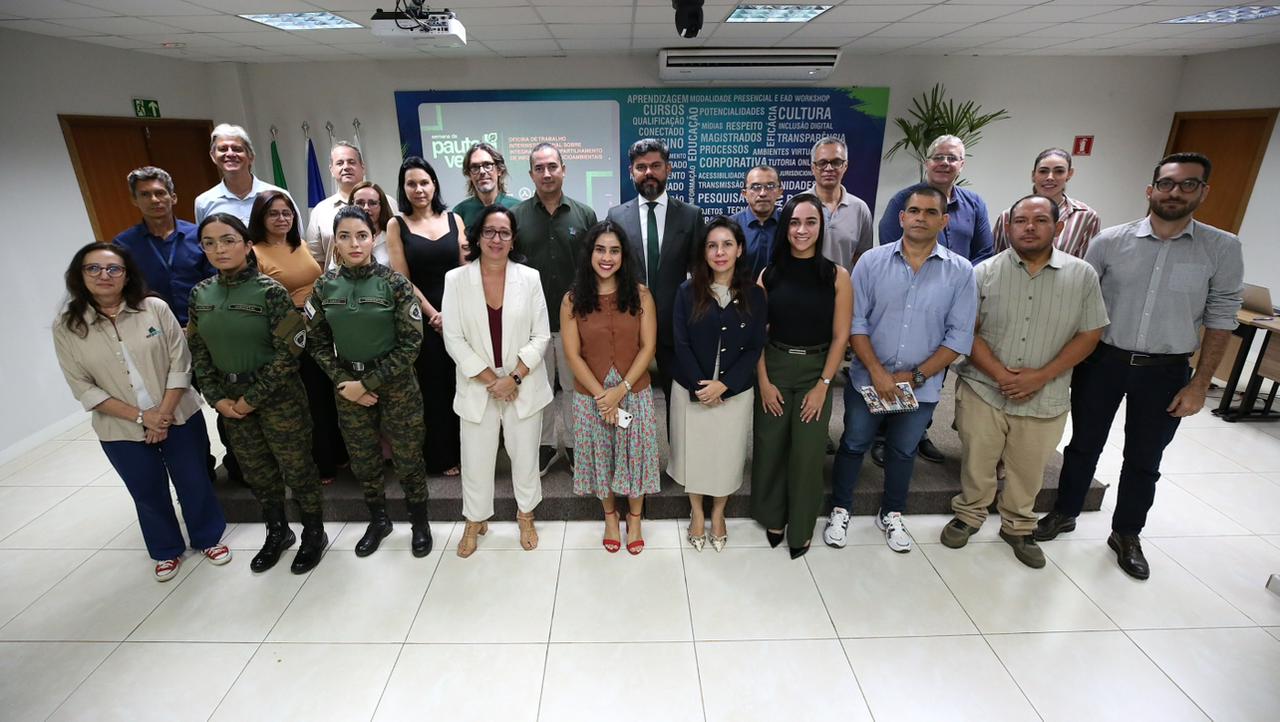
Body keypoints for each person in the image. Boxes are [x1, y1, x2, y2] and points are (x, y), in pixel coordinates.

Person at [1037, 152, 1244, 580]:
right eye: (1167, 184)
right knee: (1083, 445)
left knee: (1144, 457)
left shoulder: (1221, 248)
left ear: (1203, 192)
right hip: (1104, 361)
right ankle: (1065, 511)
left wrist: (1200, 383)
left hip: (1166, 369)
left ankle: (1127, 532)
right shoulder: (1110, 242)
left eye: (1188, 184)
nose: (1175, 192)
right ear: (1151, 190)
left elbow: (1222, 317)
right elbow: (1080, 305)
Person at [943, 195, 1107, 568]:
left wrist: (1041, 376)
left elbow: (1089, 333)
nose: (1029, 227)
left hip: (1045, 392)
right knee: (978, 460)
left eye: (1039, 220)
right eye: (1020, 221)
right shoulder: (983, 272)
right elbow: (968, 330)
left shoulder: (1082, 275)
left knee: (1029, 466)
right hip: (985, 387)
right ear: (1008, 227)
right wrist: (1001, 374)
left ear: (1058, 227)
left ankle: (1018, 525)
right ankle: (969, 513)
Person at [52, 243, 229, 581]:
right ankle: (165, 549)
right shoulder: (68, 326)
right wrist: (140, 416)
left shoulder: (154, 308)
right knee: (146, 490)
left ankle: (208, 537)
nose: (104, 275)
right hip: (119, 426)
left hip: (178, 413)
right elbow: (83, 386)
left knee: (194, 480)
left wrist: (161, 414)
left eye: (113, 268)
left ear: (127, 274)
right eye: (94, 268)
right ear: (79, 275)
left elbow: (181, 361)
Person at [824, 185, 977, 553]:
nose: (920, 218)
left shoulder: (960, 272)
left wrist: (917, 376)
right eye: (914, 211)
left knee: (903, 450)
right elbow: (855, 323)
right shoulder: (871, 262)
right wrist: (876, 371)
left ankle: (891, 513)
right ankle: (840, 508)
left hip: (921, 385)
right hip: (868, 379)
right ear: (901, 217)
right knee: (854, 443)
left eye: (929, 212)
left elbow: (959, 336)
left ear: (944, 220)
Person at [187, 213, 327, 574]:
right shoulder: (200, 295)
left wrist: (254, 397)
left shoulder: (271, 292)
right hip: (229, 400)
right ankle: (277, 531)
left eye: (229, 240)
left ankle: (313, 531)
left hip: (277, 398)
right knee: (257, 471)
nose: (220, 249)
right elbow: (198, 353)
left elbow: (291, 349)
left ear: (248, 245)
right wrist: (217, 398)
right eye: (210, 242)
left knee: (297, 468)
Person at [306, 206, 433, 558]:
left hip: (396, 385)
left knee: (408, 456)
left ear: (373, 237)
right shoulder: (324, 286)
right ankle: (378, 520)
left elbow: (411, 343)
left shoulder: (394, 283)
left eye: (361, 235)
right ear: (335, 243)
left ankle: (419, 522)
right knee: (363, 459)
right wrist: (345, 381)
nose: (354, 243)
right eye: (344, 236)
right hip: (348, 386)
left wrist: (369, 383)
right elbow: (315, 342)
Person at [442, 205, 553, 557]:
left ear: (513, 238)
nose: (496, 239)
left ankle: (525, 515)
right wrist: (495, 380)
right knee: (475, 459)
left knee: (524, 457)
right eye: (489, 231)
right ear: (477, 235)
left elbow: (541, 336)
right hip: (479, 387)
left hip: (523, 385)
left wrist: (515, 377)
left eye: (504, 232)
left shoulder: (530, 277)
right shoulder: (456, 280)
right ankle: (474, 520)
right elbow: (454, 338)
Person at [877, 134, 993, 464]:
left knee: (935, 367)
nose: (944, 163)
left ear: (961, 164)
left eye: (951, 158)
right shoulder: (903, 198)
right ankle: (885, 434)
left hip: (954, 300)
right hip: (907, 296)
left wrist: (954, 279)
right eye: (938, 157)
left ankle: (919, 430)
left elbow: (985, 251)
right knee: (899, 359)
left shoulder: (974, 204)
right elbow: (889, 245)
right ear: (927, 163)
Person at [752, 194, 852, 559]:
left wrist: (824, 387)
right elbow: (756, 333)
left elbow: (841, 336)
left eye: (810, 222)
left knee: (808, 453)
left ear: (821, 227)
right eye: (795, 222)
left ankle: (803, 523)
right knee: (770, 445)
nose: (802, 230)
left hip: (816, 370)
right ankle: (772, 516)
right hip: (774, 366)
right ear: (786, 226)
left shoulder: (837, 276)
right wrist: (762, 381)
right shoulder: (769, 274)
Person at [561, 220, 660, 554]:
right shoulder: (572, 299)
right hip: (592, 396)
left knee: (636, 457)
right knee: (601, 460)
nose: (607, 257)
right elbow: (572, 354)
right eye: (600, 249)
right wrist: (603, 397)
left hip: (635, 393)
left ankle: (634, 518)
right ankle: (609, 517)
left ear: (624, 255)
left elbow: (648, 347)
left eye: (614, 250)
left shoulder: (641, 293)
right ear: (590, 253)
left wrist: (623, 389)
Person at [670, 217, 766, 552]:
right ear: (704, 252)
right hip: (692, 391)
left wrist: (724, 385)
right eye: (712, 245)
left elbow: (755, 346)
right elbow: (680, 343)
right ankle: (697, 511)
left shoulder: (754, 293)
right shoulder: (687, 291)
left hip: (733, 393)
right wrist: (702, 386)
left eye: (727, 244)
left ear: (740, 249)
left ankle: (719, 512)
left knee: (726, 454)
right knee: (695, 454)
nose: (719, 252)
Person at [248, 191, 349, 486]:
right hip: (287, 334)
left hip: (317, 327)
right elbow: (259, 304)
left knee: (325, 395)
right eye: (273, 214)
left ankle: (337, 453)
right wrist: (296, 323)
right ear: (260, 218)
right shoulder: (254, 252)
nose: (282, 218)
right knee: (307, 401)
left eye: (287, 213)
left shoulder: (300, 244)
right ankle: (321, 464)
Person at [512, 143, 598, 475]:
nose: (546, 174)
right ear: (531, 173)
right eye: (539, 168)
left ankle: (577, 445)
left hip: (575, 320)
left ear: (563, 169)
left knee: (576, 386)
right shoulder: (517, 216)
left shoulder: (584, 214)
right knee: (538, 385)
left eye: (552, 166)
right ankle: (546, 445)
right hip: (530, 322)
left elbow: (594, 267)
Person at [606, 138, 705, 414]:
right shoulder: (616, 215)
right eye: (641, 167)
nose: (648, 172)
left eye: (655, 166)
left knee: (680, 400)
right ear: (631, 172)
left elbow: (700, 272)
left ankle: (679, 457)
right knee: (628, 396)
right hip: (629, 323)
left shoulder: (690, 216)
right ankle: (632, 456)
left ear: (668, 169)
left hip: (676, 324)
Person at [387, 157, 464, 476]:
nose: (419, 189)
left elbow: (464, 269)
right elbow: (402, 279)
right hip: (421, 317)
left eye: (424, 182)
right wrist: (434, 315)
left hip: (458, 313)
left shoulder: (454, 218)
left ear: (434, 185)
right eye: (411, 183)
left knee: (462, 384)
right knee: (433, 389)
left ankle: (468, 453)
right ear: (404, 189)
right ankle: (441, 456)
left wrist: (452, 312)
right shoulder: (396, 224)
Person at [112, 166, 213, 326]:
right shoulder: (123, 244)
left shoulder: (199, 235)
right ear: (134, 200)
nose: (154, 200)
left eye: (160, 193)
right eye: (145, 194)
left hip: (205, 324)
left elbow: (216, 282)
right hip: (154, 329)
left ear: (173, 197)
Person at [993, 148, 1101, 258]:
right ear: (1033, 175)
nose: (1050, 177)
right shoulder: (1008, 216)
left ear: (1069, 174)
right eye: (1043, 171)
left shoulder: (1086, 216)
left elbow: (1085, 266)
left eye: (1059, 171)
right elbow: (997, 262)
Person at [194, 123, 290, 225]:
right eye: (223, 149)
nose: (230, 154)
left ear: (251, 156)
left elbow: (296, 239)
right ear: (213, 156)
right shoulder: (204, 203)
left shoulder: (279, 195)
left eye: (237, 149)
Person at [803, 136, 874, 272]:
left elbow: (862, 258)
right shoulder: (797, 205)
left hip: (844, 289)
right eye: (822, 162)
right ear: (813, 167)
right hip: (802, 288)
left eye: (836, 162)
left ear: (845, 166)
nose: (829, 168)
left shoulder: (860, 209)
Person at [305, 141, 367, 266]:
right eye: (339, 163)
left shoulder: (387, 203)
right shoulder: (320, 211)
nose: (346, 167)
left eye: (351, 162)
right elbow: (317, 261)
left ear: (362, 167)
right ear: (332, 170)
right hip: (337, 283)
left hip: (384, 283)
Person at [453, 142, 521, 231]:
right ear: (469, 174)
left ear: (499, 170)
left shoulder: (517, 208)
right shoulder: (460, 212)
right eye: (475, 167)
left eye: (487, 165)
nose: (482, 171)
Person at [731, 165, 782, 279]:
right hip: (740, 294)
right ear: (744, 193)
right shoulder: (730, 227)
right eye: (755, 187)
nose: (763, 193)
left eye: (770, 186)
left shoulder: (789, 224)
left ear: (780, 192)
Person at [344, 181, 394, 269]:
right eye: (360, 203)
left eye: (373, 203)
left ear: (381, 206)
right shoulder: (343, 237)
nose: (366, 208)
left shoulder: (392, 237)